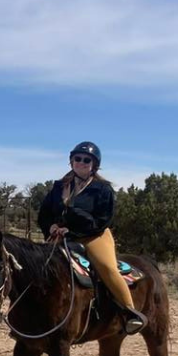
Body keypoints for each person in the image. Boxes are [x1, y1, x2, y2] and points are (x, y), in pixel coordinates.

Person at [37, 141, 147, 335]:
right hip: (60, 235)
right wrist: (51, 226)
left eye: (86, 160)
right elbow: (44, 213)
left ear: (94, 165)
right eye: (77, 158)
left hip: (93, 235)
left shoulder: (103, 189)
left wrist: (71, 227)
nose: (81, 162)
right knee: (38, 265)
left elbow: (101, 220)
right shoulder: (59, 186)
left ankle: (130, 312)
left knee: (107, 268)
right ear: (71, 161)